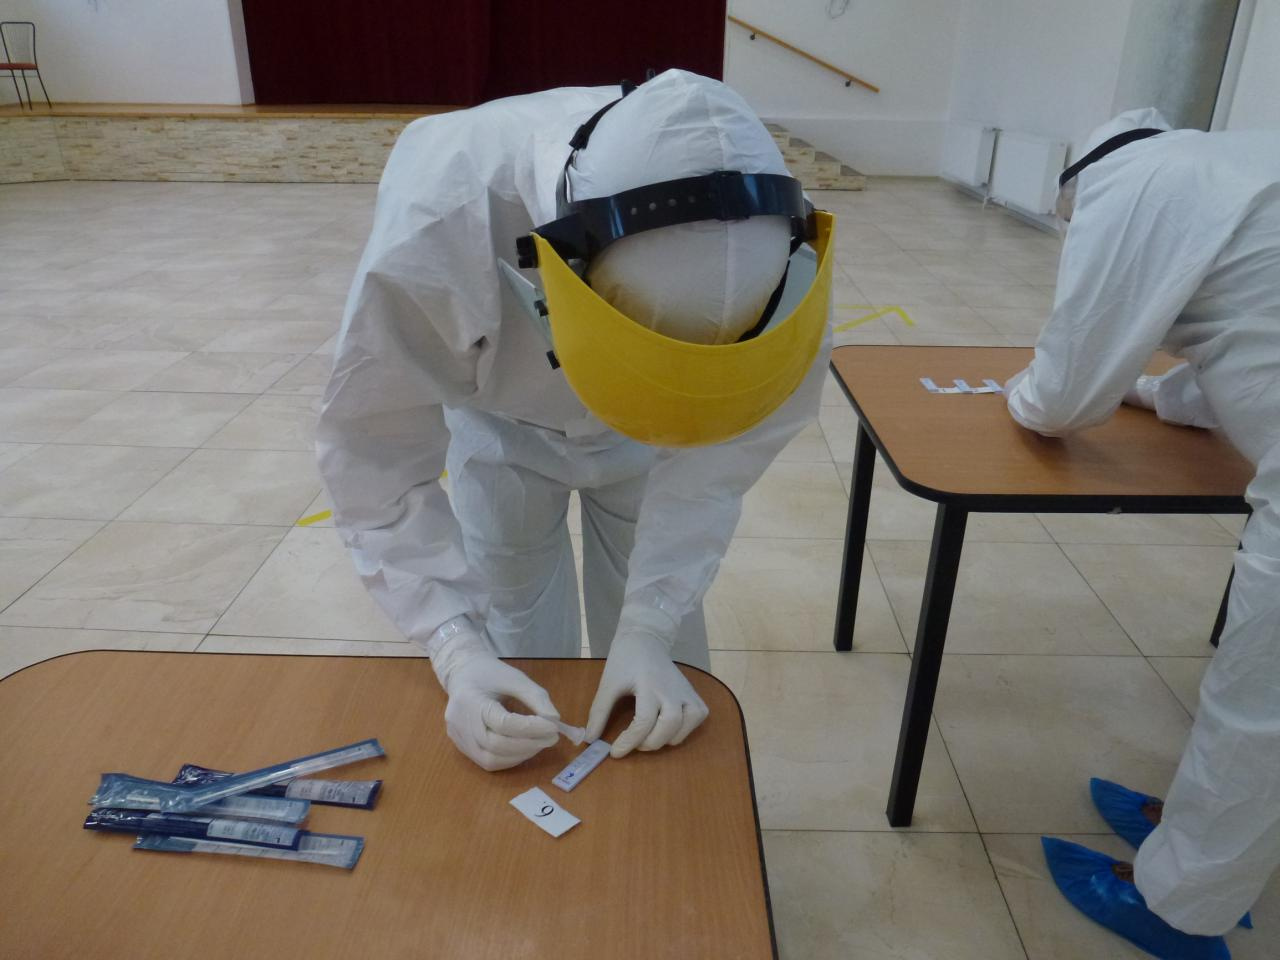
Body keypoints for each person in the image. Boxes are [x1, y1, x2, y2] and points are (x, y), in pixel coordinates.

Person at [316, 70, 833, 773]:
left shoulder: (777, 257)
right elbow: (373, 454)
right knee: (517, 638)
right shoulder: (441, 217)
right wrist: (455, 648)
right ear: (561, 264)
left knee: (664, 657)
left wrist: (651, 624)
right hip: (503, 423)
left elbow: (719, 459)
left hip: (657, 438)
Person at [1005, 108, 1280, 959]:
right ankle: (1210, 839)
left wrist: (1018, 392)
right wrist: (1156, 394)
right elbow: (1251, 337)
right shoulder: (1234, 164)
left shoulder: (1125, 191)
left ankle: (1181, 907)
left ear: (1079, 185)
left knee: (1257, 702)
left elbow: (1058, 401)